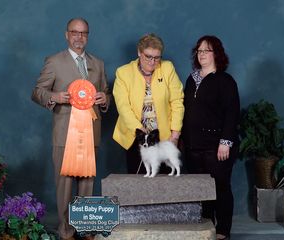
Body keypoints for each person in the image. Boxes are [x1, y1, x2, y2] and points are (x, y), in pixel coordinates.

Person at [31, 18, 109, 240]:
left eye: (83, 33)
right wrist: (54, 96)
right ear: (67, 35)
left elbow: (106, 92)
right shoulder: (54, 61)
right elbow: (37, 92)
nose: (79, 37)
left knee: (87, 183)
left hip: (90, 132)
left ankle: (85, 228)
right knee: (64, 184)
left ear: (88, 36)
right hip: (64, 133)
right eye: (74, 32)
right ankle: (66, 231)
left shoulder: (99, 64)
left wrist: (105, 99)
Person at [182, 35, 240, 240]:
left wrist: (225, 142)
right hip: (193, 145)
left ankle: (223, 230)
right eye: (199, 51)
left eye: (207, 50)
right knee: (200, 189)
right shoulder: (191, 79)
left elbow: (232, 114)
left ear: (217, 54)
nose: (202, 54)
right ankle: (207, 227)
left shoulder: (225, 81)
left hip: (217, 146)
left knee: (221, 187)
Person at [113, 33, 184, 174]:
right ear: (139, 52)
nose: (152, 61)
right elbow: (123, 107)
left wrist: (175, 135)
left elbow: (177, 101)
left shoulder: (167, 68)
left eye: (157, 57)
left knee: (166, 181)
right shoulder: (123, 73)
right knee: (139, 180)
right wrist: (140, 131)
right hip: (136, 137)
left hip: (164, 138)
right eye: (148, 56)